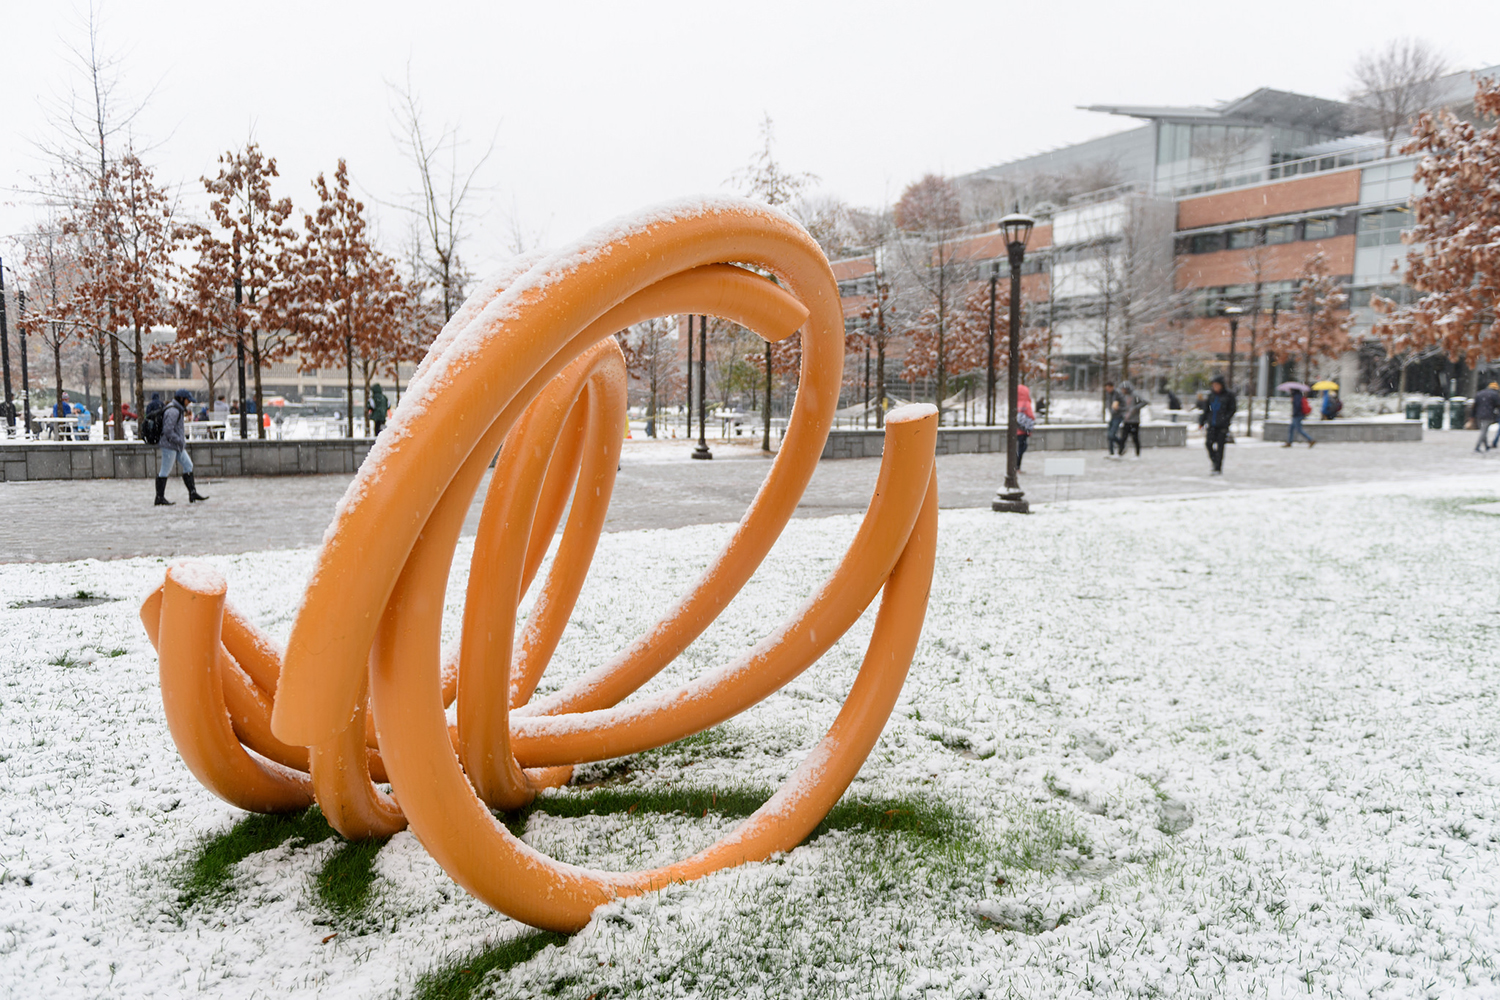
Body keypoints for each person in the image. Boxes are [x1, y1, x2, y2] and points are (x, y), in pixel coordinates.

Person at [156, 389, 208, 506]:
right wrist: (179, 440)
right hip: (170, 445)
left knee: (188, 465)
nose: (188, 403)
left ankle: (192, 493)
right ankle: (159, 497)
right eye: (187, 400)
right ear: (181, 399)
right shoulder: (173, 411)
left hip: (176, 445)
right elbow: (168, 430)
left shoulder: (176, 409)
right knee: (165, 470)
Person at [1198, 374, 1237, 476]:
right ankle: (1215, 461)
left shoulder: (1229, 395)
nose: (1215, 387)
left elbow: (1232, 409)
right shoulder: (1211, 396)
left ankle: (1217, 467)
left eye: (1216, 385)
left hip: (1222, 425)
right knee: (1208, 443)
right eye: (1213, 385)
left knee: (1220, 447)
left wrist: (1225, 419)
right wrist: (1201, 421)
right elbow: (1206, 409)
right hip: (1212, 423)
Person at [1117, 382, 1146, 457]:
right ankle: (1120, 452)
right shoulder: (1123, 397)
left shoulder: (1135, 395)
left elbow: (1144, 402)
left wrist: (1135, 408)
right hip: (1127, 420)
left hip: (1134, 421)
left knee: (1135, 438)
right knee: (1123, 437)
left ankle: (1137, 454)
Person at [1474, 381, 1500, 453]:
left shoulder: (1480, 393)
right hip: (1488, 415)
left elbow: (1475, 405)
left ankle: (1486, 446)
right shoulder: (1495, 395)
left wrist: (1472, 415)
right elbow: (1498, 405)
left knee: (1483, 431)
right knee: (1484, 431)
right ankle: (1477, 447)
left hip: (1479, 415)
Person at [1015, 384, 1036, 471]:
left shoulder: (1015, 402)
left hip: (1017, 429)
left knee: (1019, 447)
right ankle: (1017, 466)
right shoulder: (1026, 403)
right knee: (1022, 447)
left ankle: (1015, 466)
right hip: (1023, 430)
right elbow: (1030, 415)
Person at [1103, 381, 1124, 457]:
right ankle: (1111, 452)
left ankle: (1121, 444)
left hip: (1118, 416)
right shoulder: (1109, 395)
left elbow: (1124, 405)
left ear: (1112, 387)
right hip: (1112, 416)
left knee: (1111, 435)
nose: (1107, 390)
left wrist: (1118, 408)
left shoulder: (1118, 394)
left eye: (1108, 388)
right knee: (1109, 435)